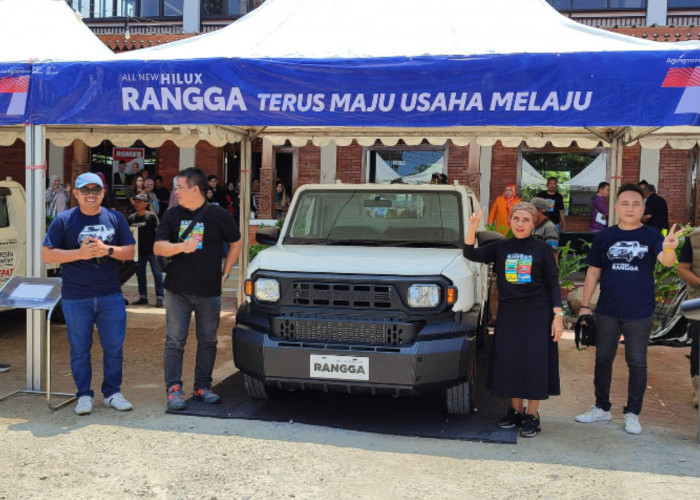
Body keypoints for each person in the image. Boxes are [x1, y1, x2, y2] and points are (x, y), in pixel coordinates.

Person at [575, 184, 683, 435]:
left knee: (637, 362)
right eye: (625, 203)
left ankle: (633, 413)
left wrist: (669, 248)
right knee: (603, 359)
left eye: (636, 204)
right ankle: (601, 408)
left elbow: (665, 261)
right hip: (607, 309)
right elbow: (593, 271)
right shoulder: (605, 236)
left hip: (640, 310)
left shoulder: (653, 236)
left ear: (643, 208)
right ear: (616, 207)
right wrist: (584, 306)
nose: (630, 208)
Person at [464, 201, 563, 438]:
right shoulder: (501, 247)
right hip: (509, 315)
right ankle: (516, 411)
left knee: (534, 364)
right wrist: (472, 226)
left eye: (525, 220)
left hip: (538, 314)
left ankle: (532, 415)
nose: (520, 224)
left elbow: (553, 283)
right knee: (510, 362)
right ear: (510, 222)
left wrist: (558, 316)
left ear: (533, 223)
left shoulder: (542, 250)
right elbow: (470, 253)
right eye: (516, 219)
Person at [42, 172, 136, 415]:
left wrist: (108, 249)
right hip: (76, 296)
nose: (91, 195)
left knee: (114, 348)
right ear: (76, 193)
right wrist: (79, 254)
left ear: (103, 193)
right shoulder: (64, 220)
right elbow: (47, 254)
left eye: (96, 190)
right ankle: (84, 395)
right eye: (86, 190)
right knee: (80, 350)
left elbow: (129, 252)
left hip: (110, 295)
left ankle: (112, 392)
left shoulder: (115, 218)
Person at [154, 167, 243, 411]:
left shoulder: (219, 215)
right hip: (177, 290)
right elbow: (158, 248)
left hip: (209, 291)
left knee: (207, 341)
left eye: (180, 187)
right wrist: (182, 247)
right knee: (174, 341)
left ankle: (202, 386)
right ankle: (173, 390)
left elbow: (236, 242)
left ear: (195, 189)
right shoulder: (172, 214)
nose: (176, 192)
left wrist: (225, 274)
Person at [675, 228, 700, 408]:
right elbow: (682, 269)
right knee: (698, 344)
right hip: (697, 299)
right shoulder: (694, 237)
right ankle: (698, 390)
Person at [128, 193, 164, 308]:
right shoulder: (131, 218)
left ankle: (159, 297)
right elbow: (129, 234)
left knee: (157, 274)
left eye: (139, 202)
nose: (137, 204)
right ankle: (143, 297)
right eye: (135, 202)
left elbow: (158, 232)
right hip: (139, 252)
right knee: (140, 274)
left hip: (152, 251)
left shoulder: (152, 216)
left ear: (145, 204)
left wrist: (158, 247)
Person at [530, 197, 560, 262]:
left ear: (539, 210)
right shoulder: (533, 226)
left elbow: (553, 253)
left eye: (531, 210)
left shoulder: (549, 227)